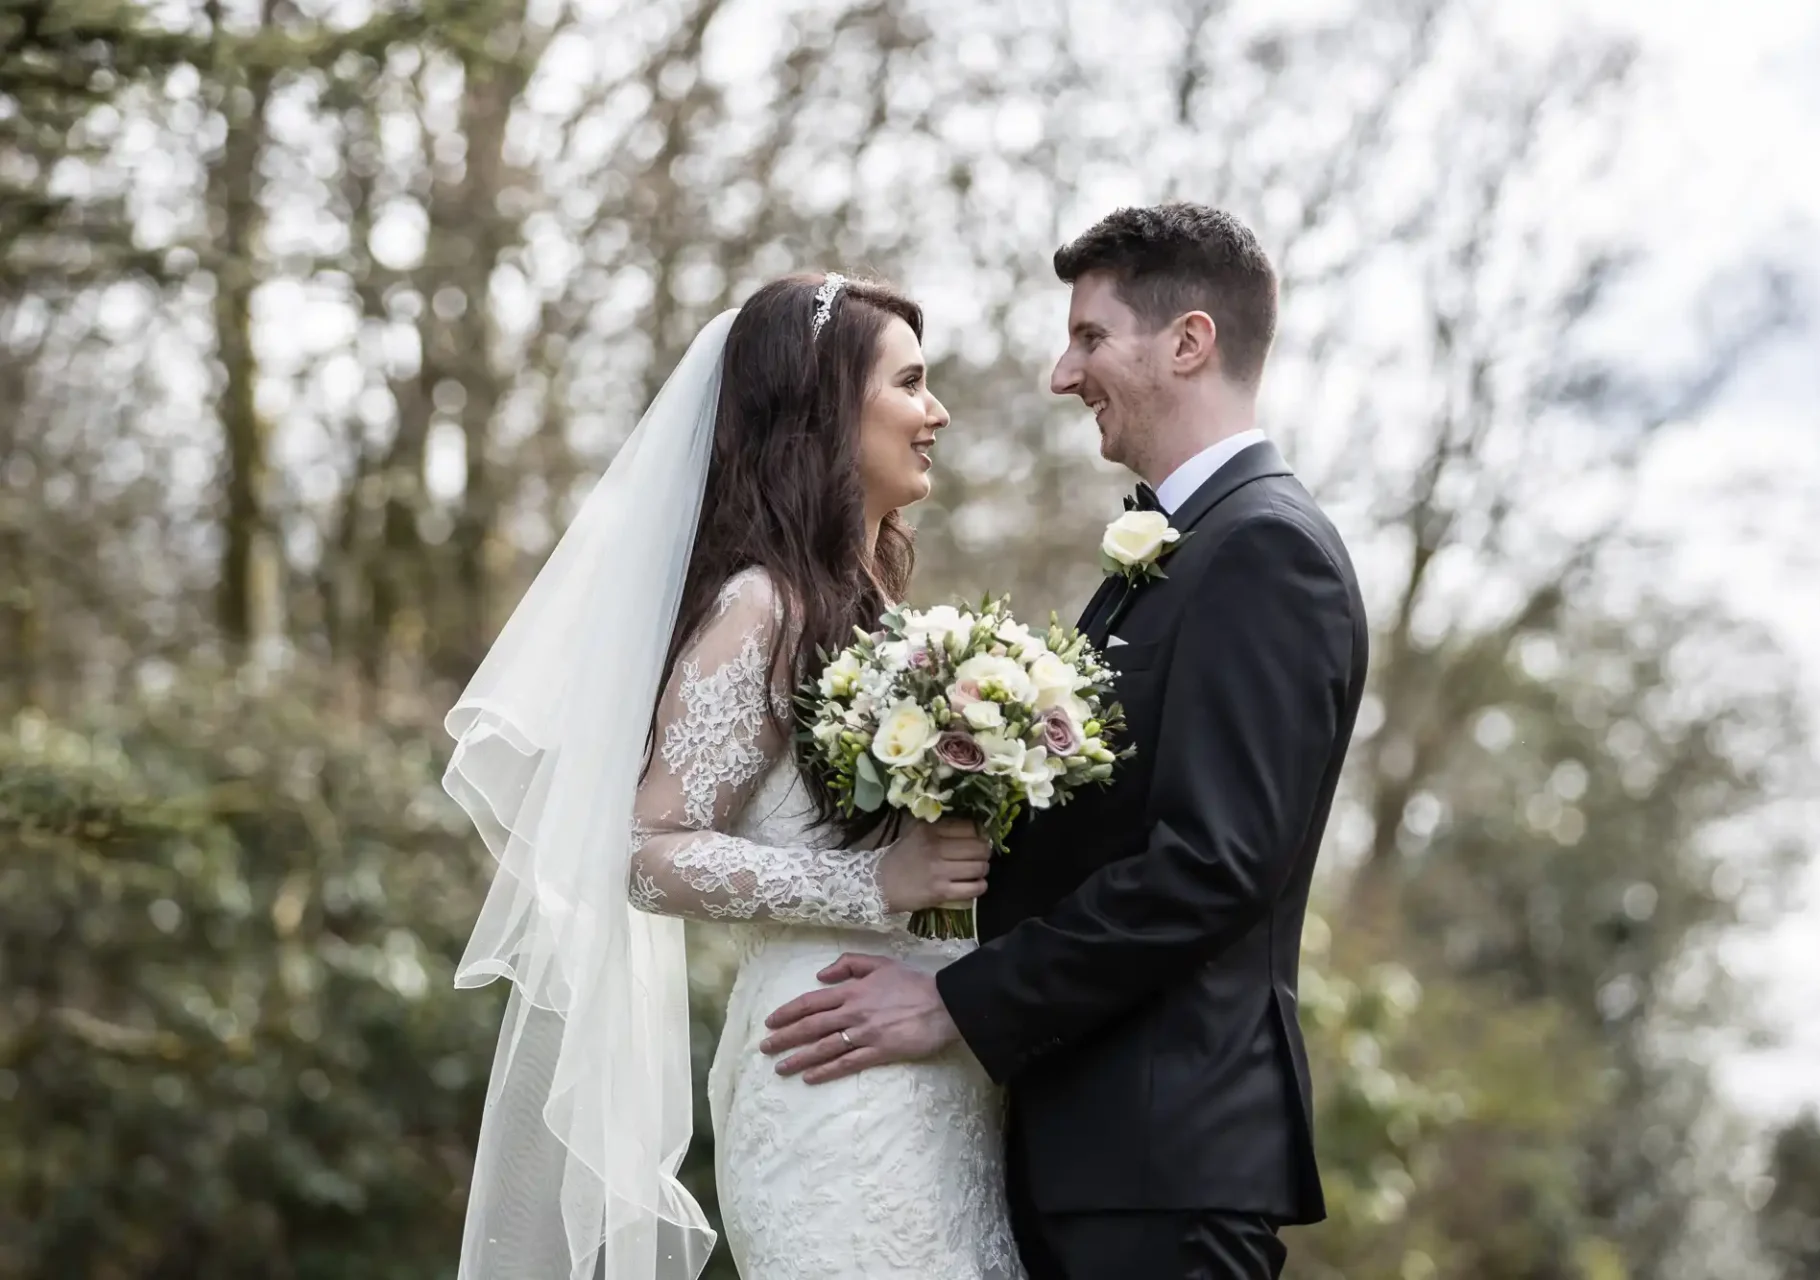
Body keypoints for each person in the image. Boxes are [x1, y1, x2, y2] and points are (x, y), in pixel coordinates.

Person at [760, 204, 1371, 1280]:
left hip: (1163, 1160)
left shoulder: (1267, 550)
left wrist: (954, 998)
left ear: (1189, 340)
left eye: (1090, 337)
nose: (1061, 371)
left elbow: (1211, 865)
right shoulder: (1178, 551)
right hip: (1088, 1150)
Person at [443, 274, 1021, 1280]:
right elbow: (644, 846)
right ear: (826, 407)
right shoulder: (763, 604)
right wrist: (874, 884)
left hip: (937, 1070)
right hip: (827, 1059)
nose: (936, 412)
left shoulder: (879, 609)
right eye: (912, 383)